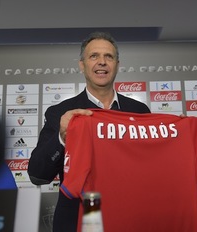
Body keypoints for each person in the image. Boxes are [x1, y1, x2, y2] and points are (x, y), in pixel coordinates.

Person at [27, 31, 151, 232]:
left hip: (130, 217)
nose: (102, 62)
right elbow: (37, 175)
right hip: (76, 218)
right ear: (82, 65)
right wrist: (62, 137)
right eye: (94, 56)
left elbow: (152, 168)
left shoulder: (140, 112)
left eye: (108, 57)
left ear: (117, 65)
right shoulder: (59, 113)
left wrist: (176, 137)